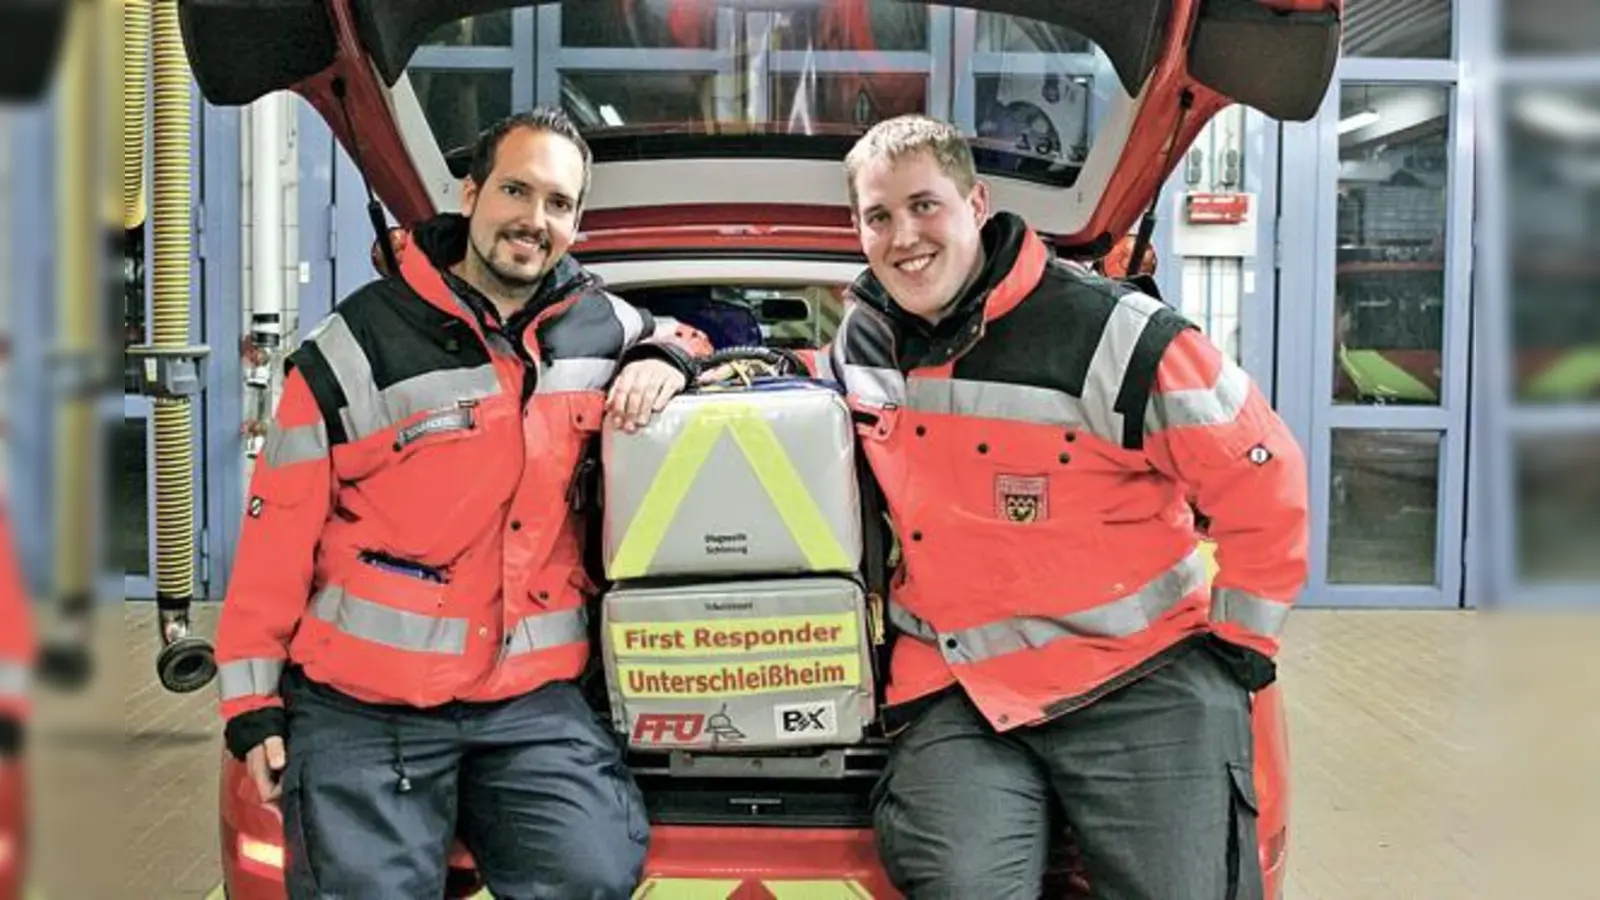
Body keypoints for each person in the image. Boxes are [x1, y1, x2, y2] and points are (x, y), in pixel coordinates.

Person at [809, 115, 1309, 898]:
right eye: (878, 216)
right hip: (959, 689)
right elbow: (782, 385)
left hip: (1138, 676)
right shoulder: (864, 339)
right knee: (963, 883)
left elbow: (1262, 467)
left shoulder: (1113, 331)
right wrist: (672, 353)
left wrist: (1243, 641)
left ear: (975, 204)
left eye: (923, 205)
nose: (903, 235)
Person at [214, 107, 705, 899]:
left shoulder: (597, 324)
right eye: (516, 190)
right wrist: (253, 706)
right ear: (469, 194)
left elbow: (697, 335)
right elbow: (274, 542)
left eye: (558, 204)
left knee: (590, 874)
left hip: (529, 704)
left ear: (576, 224)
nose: (534, 220)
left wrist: (664, 357)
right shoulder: (354, 349)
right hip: (366, 706)